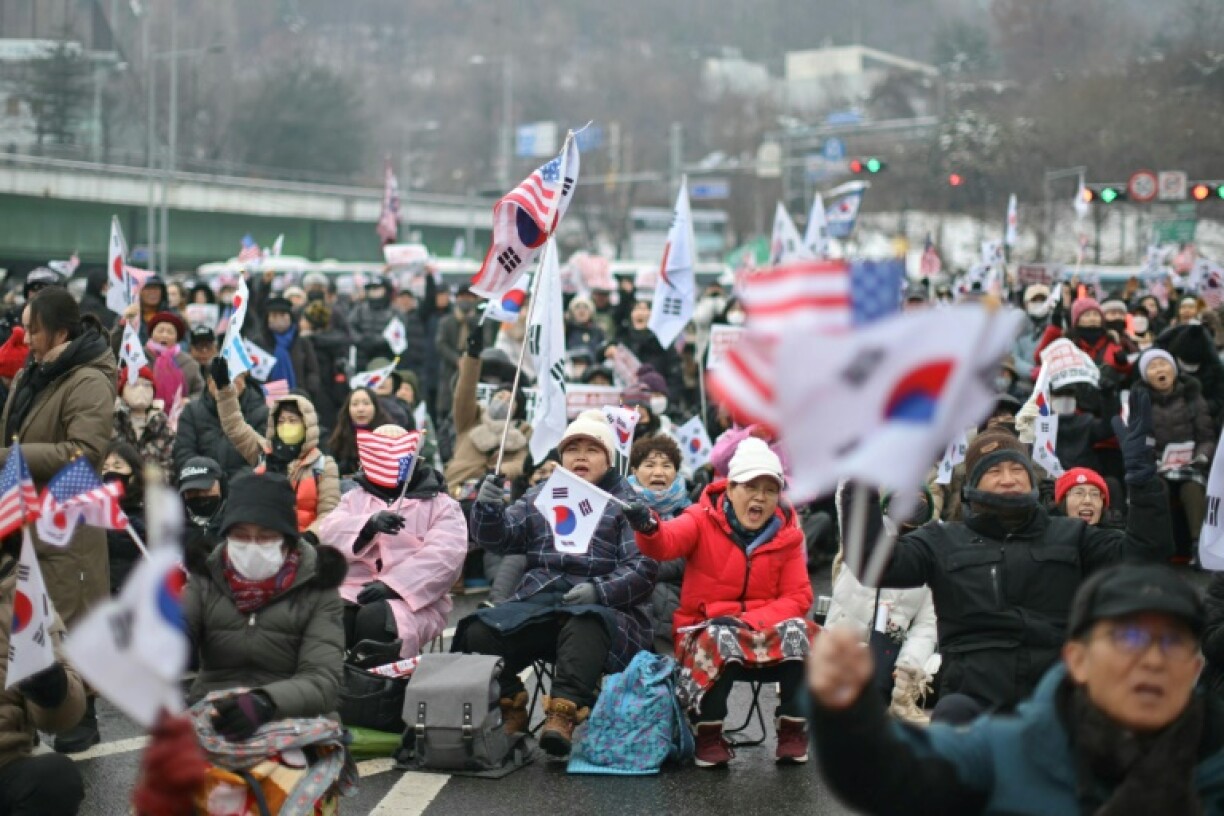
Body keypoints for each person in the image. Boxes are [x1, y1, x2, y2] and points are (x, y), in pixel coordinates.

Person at [842, 392, 1172, 722]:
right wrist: (862, 484)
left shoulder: (1073, 535)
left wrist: (1144, 484)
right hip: (972, 699)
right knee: (950, 721)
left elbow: (1145, 557)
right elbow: (874, 564)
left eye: (1017, 469)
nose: (1008, 478)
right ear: (972, 484)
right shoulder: (941, 539)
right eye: (994, 470)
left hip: (1059, 696)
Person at [809, 563, 1220, 815]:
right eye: (1128, 639)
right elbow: (889, 775)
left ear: (1195, 666)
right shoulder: (1007, 750)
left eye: (1171, 642)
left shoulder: (1216, 764)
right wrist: (847, 713)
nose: (1152, 660)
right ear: (1077, 659)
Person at [457, 411, 657, 757]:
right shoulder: (540, 496)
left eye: (592, 449)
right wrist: (487, 509)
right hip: (541, 599)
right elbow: (501, 540)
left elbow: (644, 567)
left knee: (585, 620)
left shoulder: (629, 504)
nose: (580, 456)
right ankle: (511, 704)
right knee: (475, 629)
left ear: (608, 460)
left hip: (606, 611)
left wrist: (600, 590)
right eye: (572, 448)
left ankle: (562, 714)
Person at [625, 437, 814, 766]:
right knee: (718, 637)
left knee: (808, 634)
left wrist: (747, 620)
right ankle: (708, 734)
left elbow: (799, 596)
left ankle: (792, 728)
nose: (760, 497)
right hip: (705, 627)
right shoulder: (700, 517)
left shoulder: (789, 533)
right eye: (750, 486)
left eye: (770, 489)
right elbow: (665, 543)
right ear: (730, 488)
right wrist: (649, 526)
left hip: (762, 627)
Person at [0, 286, 115, 752]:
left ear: (60, 332)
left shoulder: (87, 379)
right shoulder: (39, 372)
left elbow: (85, 453)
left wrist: (12, 456)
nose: (24, 336)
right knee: (34, 618)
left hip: (67, 524)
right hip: (26, 518)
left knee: (71, 615)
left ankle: (82, 716)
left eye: (33, 328)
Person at [182, 472, 347, 736]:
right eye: (241, 536)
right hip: (214, 712)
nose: (253, 547)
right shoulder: (207, 578)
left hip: (292, 718)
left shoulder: (318, 587)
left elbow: (323, 680)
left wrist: (266, 702)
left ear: (288, 539)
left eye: (266, 537)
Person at [319, 424, 467, 657]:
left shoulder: (442, 506)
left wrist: (393, 586)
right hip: (351, 591)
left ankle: (380, 689)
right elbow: (329, 534)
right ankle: (332, 686)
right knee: (328, 618)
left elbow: (445, 557)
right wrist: (367, 526)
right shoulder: (353, 499)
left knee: (376, 620)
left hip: (415, 602)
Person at [826, 486, 939, 725]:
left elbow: (927, 627)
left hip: (887, 654)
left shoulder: (932, 554)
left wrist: (908, 666)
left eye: (919, 500)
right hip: (843, 644)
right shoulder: (861, 538)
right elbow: (848, 496)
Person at [0, 533, 87, 816]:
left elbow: (63, 718)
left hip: (5, 763)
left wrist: (51, 688)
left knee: (55, 779)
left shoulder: (23, 596)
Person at [211, 357, 339, 534]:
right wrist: (225, 389)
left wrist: (311, 537)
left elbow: (330, 513)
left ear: (306, 425)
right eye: (281, 421)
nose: (286, 425)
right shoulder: (263, 452)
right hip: (265, 542)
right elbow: (234, 425)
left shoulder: (324, 466)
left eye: (293, 421)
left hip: (306, 546)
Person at [1132, 347, 1215, 553]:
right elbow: (1138, 441)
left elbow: (1206, 436)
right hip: (1157, 465)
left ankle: (1198, 545)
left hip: (1191, 464)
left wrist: (1201, 456)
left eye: (1164, 364)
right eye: (1153, 366)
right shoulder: (1139, 402)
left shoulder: (1192, 396)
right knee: (1158, 488)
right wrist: (1156, 460)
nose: (1160, 369)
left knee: (1192, 487)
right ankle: (1162, 545)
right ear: (1145, 375)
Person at [444, 327, 531, 490]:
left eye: (510, 400)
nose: (503, 400)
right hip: (456, 487)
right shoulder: (471, 419)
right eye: (500, 396)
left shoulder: (522, 432)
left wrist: (498, 471)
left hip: (491, 494)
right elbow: (465, 393)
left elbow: (521, 463)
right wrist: (472, 357)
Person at [625, 435, 691, 652]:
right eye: (649, 465)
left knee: (661, 594)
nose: (658, 472)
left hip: (678, 590)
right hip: (624, 585)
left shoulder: (689, 511)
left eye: (666, 465)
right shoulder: (620, 506)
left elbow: (688, 559)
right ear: (634, 470)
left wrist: (645, 569)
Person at [172, 361, 269, 483]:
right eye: (221, 378)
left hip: (246, 487)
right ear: (208, 382)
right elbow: (183, 453)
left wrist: (233, 483)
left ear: (245, 381)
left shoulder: (263, 413)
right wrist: (210, 478)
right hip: (202, 484)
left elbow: (263, 457)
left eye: (235, 376)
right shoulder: (191, 411)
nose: (228, 383)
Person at [101, 440, 148, 593]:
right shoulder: (95, 515)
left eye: (117, 466)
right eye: (105, 468)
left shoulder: (148, 511)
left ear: (134, 474)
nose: (110, 472)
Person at [112, 365, 176, 475]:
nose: (141, 390)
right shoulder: (112, 421)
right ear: (122, 390)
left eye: (147, 385)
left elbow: (169, 463)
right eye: (134, 384)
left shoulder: (162, 424)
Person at [259, 296, 320, 401]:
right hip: (267, 399)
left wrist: (309, 391)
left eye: (282, 315)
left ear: (290, 317)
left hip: (300, 397)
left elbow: (312, 371)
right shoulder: (260, 343)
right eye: (274, 315)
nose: (278, 319)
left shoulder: (302, 342)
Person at [433, 285, 479, 419]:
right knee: (446, 408)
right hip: (449, 370)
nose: (465, 300)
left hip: (471, 371)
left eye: (469, 297)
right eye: (462, 297)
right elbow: (440, 344)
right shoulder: (446, 321)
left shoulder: (478, 322)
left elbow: (485, 344)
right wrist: (457, 359)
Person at [326, 387, 392, 478]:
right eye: (355, 404)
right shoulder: (339, 438)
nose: (360, 409)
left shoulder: (389, 434)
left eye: (366, 403)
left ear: (375, 407)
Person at [143, 311, 204, 403]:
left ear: (177, 338)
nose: (165, 335)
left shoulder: (189, 363)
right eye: (160, 331)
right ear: (152, 334)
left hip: (181, 414)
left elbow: (200, 391)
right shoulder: (140, 357)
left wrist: (189, 401)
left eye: (170, 332)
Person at [179, 456, 226, 553]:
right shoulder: (175, 529)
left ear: (222, 486)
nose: (200, 495)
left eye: (206, 490)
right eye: (191, 491)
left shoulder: (235, 525)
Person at [78, 266, 115, 330]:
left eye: (107, 284)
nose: (106, 288)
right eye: (103, 284)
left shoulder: (101, 301)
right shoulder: (91, 304)